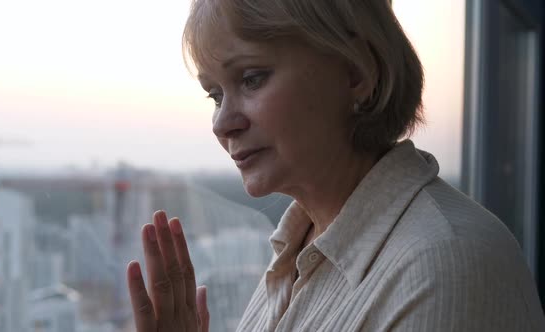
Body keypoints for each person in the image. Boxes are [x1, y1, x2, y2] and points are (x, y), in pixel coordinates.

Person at [125, 0, 545, 331]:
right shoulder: (302, 248)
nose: (222, 123)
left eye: (251, 78)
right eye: (215, 95)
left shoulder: (446, 267)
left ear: (356, 72)